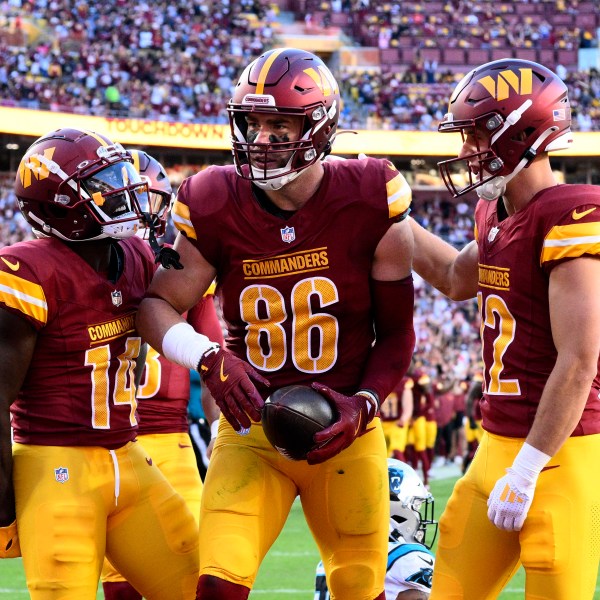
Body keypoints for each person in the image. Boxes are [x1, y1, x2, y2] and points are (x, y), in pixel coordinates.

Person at [136, 47, 416, 600]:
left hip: (346, 432)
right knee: (217, 585)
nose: (262, 138)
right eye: (253, 123)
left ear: (319, 126)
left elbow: (399, 334)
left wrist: (364, 403)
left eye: (280, 124)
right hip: (251, 429)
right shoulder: (213, 198)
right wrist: (208, 358)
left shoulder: (369, 195)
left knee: (360, 588)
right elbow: (153, 305)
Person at [409, 58, 600, 599]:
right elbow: (451, 276)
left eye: (476, 136)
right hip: (494, 444)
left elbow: (580, 359)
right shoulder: (496, 214)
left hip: (560, 455)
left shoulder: (570, 215)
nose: (466, 151)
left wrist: (527, 469)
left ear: (521, 134)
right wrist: (392, 212)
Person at [0, 128, 199, 599]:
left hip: (130, 456)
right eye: (100, 183)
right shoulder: (26, 272)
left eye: (116, 174)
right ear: (57, 206)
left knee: (201, 589)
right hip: (56, 467)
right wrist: (4, 504)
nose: (121, 189)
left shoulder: (133, 252)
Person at [100, 150, 223, 600]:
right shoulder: (81, 270)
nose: (132, 216)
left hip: (169, 437)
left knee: (193, 575)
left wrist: (218, 432)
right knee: (121, 584)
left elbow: (215, 359)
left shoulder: (182, 274)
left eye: (141, 202)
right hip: (107, 439)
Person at [315, 458, 437, 600]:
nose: (418, 516)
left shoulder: (329, 560)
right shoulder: (410, 558)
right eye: (416, 506)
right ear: (396, 509)